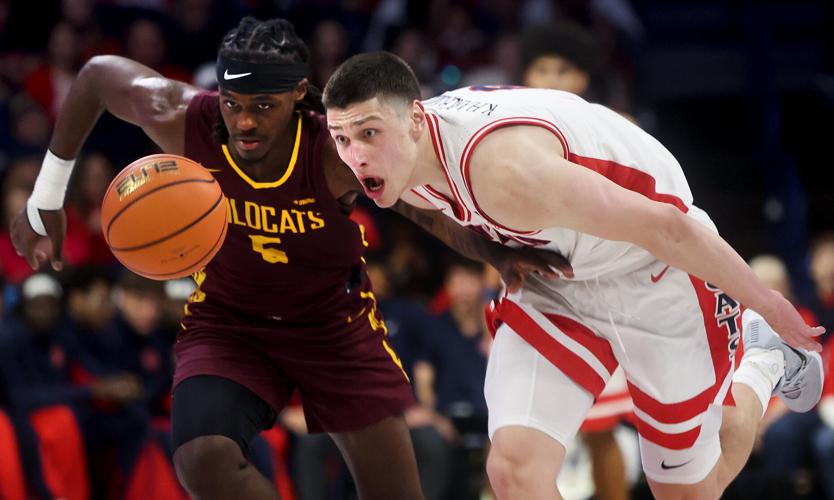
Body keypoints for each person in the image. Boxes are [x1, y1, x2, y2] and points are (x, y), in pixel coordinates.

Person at [9, 17, 569, 500]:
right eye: (233, 104)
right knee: (202, 460)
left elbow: (424, 209)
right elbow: (96, 76)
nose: (245, 122)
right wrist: (46, 197)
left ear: (300, 94)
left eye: (263, 106)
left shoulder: (336, 151)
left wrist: (494, 250)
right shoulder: (183, 118)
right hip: (230, 321)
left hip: (330, 327)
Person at [321, 51, 825, 500]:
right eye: (342, 138)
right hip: (557, 275)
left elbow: (668, 228)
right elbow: (419, 206)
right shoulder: (386, 159)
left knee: (689, 491)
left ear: (415, 118)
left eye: (369, 134)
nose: (356, 154)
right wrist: (494, 253)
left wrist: (769, 303)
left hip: (655, 267)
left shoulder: (507, 172)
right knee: (514, 471)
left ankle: (763, 361)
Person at [519, 22, 632, 500]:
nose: (550, 78)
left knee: (599, 426)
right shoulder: (508, 127)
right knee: (517, 431)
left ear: (584, 77)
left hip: (597, 286)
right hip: (528, 285)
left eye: (563, 69)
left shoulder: (616, 127)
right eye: (541, 68)